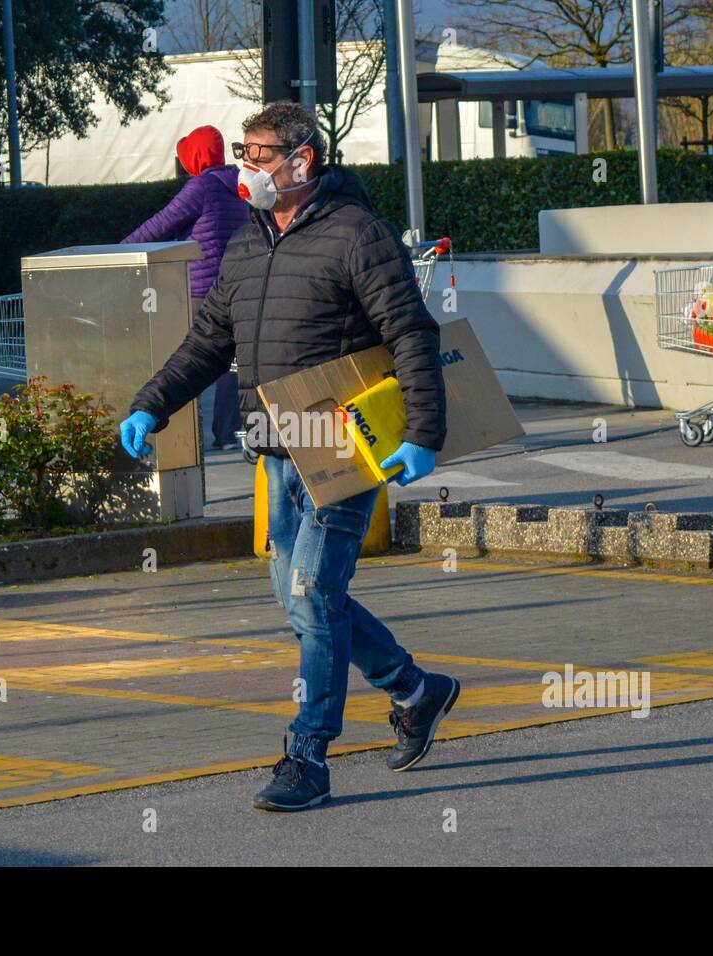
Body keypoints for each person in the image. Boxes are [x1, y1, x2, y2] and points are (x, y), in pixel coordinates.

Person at [118, 102, 460, 811]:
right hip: (275, 449)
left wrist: (424, 435)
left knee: (310, 595)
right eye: (242, 152)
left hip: (340, 442)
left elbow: (411, 333)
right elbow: (211, 338)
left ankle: (307, 757)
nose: (247, 167)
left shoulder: (357, 234)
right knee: (303, 597)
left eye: (259, 154)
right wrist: (152, 402)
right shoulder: (248, 243)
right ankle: (417, 693)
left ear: (302, 161)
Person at [123, 126, 248, 450]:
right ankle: (227, 433)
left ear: (193, 157)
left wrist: (118, 250)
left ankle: (179, 440)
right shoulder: (236, 184)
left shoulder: (202, 186)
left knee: (186, 360)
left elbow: (160, 224)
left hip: (200, 289)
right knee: (229, 363)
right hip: (235, 284)